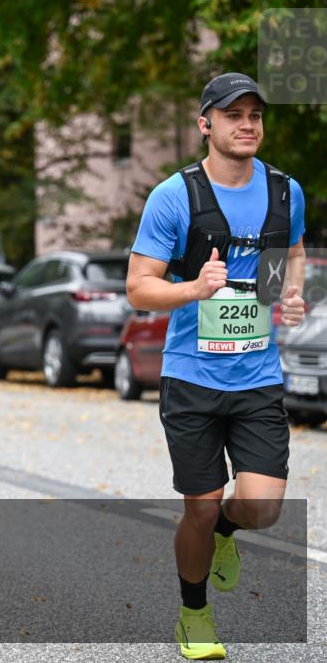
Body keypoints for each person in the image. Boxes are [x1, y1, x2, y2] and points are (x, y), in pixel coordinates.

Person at [126, 73, 306, 661]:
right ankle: (193, 614)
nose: (247, 124)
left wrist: (290, 294)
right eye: (233, 115)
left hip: (257, 375)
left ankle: (229, 532)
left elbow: (291, 251)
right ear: (206, 124)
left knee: (261, 505)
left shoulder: (285, 192)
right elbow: (138, 288)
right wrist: (193, 290)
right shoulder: (174, 197)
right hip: (192, 375)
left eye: (255, 115)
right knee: (200, 506)